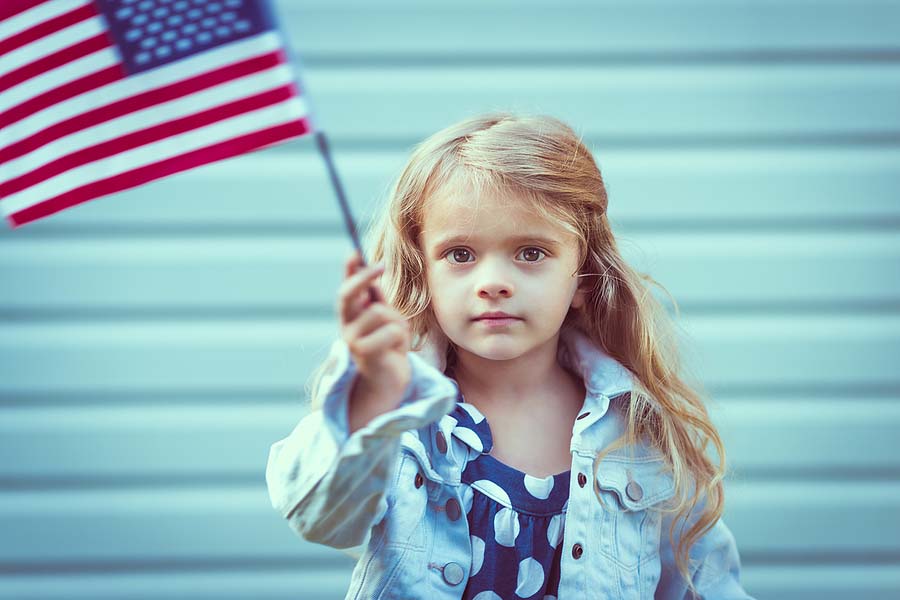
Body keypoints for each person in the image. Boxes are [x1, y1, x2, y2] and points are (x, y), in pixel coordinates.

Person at [266, 112, 755, 599]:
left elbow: (704, 584)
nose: (493, 282)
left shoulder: (637, 428)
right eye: (460, 254)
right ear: (424, 274)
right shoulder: (400, 415)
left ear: (583, 277)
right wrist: (370, 396)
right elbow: (320, 518)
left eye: (530, 253)